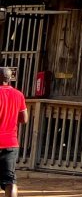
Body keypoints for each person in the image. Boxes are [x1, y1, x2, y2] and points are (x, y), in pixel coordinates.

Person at [0, 68, 26, 197]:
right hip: (11, 142)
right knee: (10, 180)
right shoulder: (18, 94)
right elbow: (24, 119)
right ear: (9, 79)